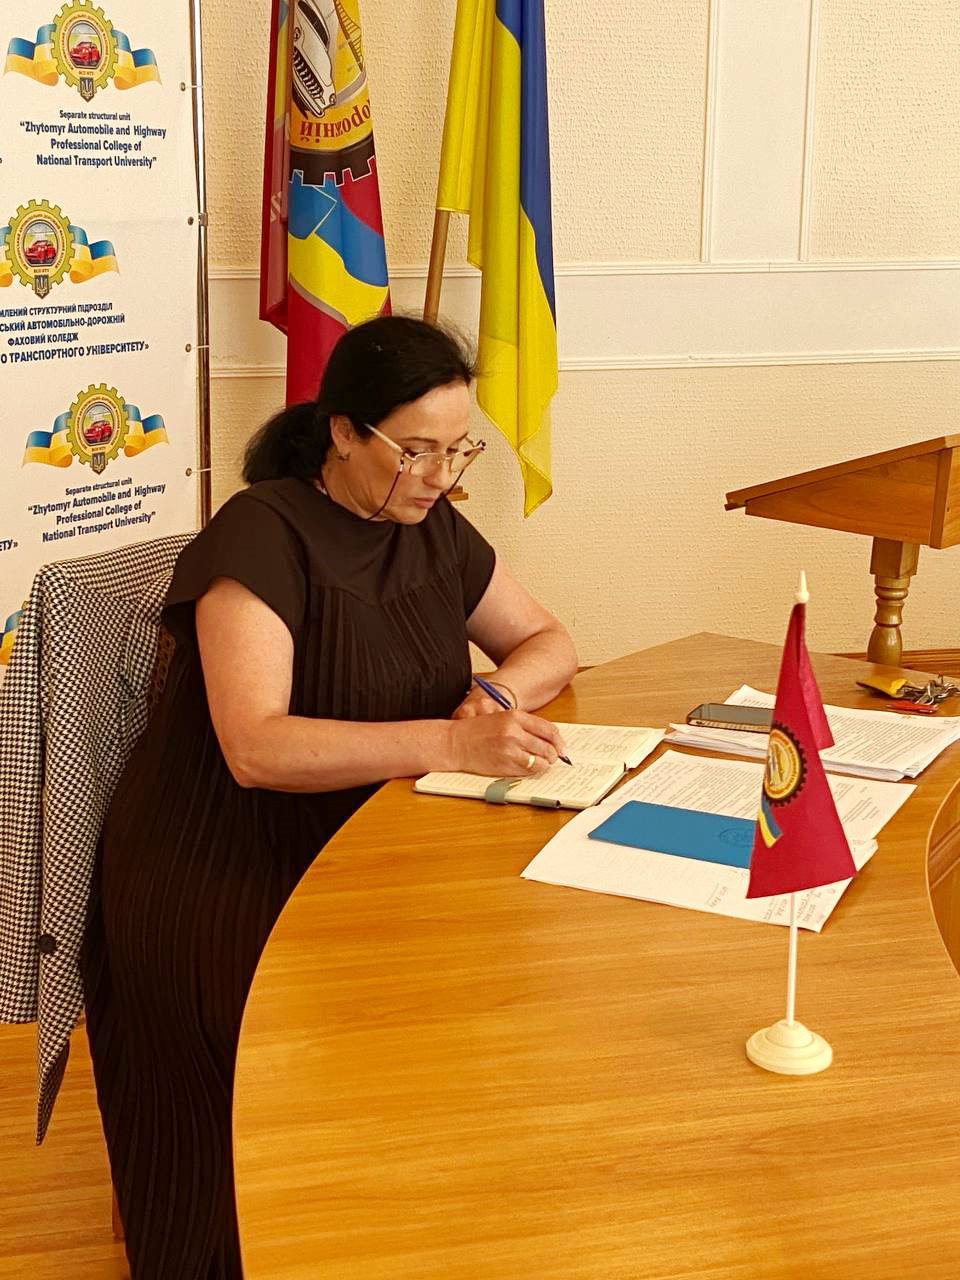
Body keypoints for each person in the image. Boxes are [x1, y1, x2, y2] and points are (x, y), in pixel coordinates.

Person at [81, 315, 578, 1279]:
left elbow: (549, 639)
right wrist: (449, 740)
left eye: (458, 450)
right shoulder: (261, 534)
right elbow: (254, 747)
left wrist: (497, 695)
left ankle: (390, 1225)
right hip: (223, 863)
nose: (441, 476)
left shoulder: (429, 524)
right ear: (345, 431)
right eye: (416, 450)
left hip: (364, 837)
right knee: (301, 1054)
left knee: (486, 980)